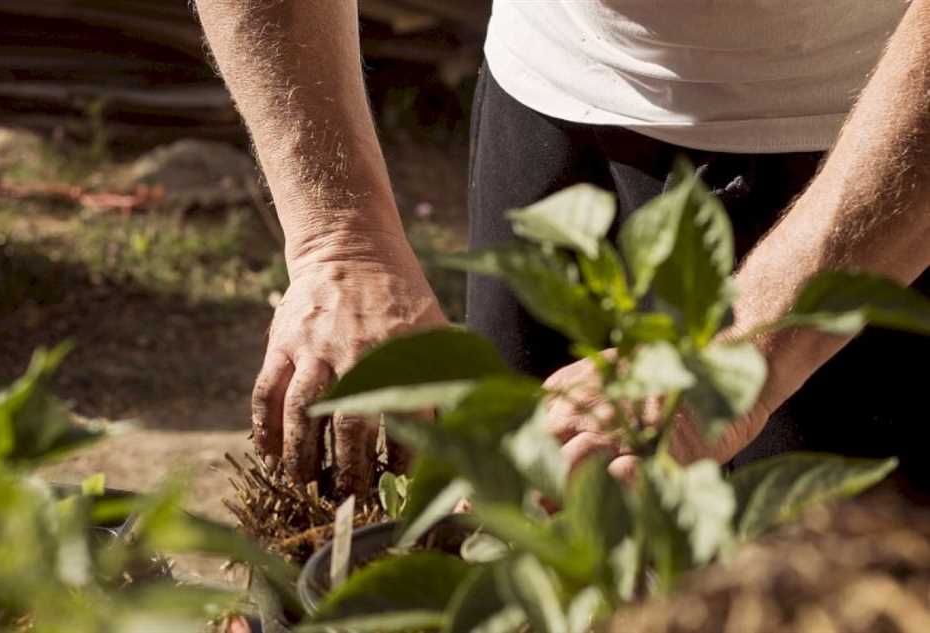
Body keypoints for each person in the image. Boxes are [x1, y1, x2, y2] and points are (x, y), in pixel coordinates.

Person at [194, 1, 930, 497]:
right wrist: (339, 238)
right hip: (552, 113)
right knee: (529, 555)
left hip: (878, 167)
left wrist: (739, 348)